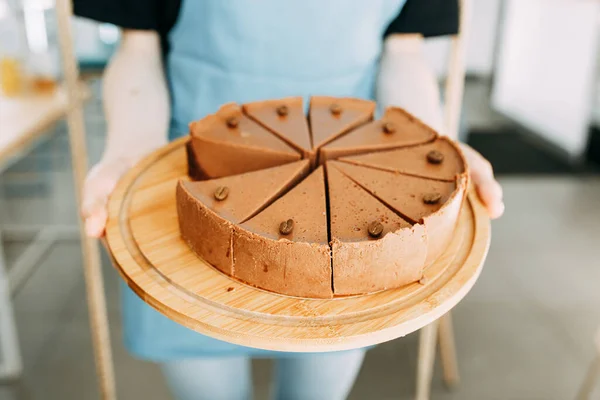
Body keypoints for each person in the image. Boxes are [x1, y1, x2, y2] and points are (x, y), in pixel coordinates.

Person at [74, 0, 505, 399]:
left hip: (353, 210)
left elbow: (404, 52)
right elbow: (137, 46)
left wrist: (424, 150)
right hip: (197, 181)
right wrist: (132, 151)